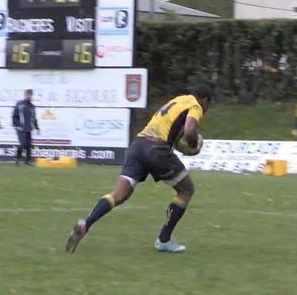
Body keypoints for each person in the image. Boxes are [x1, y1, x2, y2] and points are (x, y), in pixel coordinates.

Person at [65, 85, 212, 253]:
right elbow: (190, 130)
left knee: (118, 195)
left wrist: (178, 142)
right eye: (207, 106)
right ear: (205, 101)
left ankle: (86, 224)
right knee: (186, 190)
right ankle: (164, 240)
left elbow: (171, 128)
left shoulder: (178, 100)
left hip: (138, 145)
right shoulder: (195, 106)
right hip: (156, 150)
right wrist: (193, 146)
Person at [12, 89, 39, 166]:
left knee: (29, 145)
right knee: (22, 144)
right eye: (28, 94)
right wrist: (16, 125)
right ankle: (17, 158)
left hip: (29, 128)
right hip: (21, 128)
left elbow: (34, 118)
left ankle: (27, 162)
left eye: (31, 95)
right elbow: (15, 116)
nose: (30, 96)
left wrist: (37, 127)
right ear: (25, 95)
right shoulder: (19, 104)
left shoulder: (32, 106)